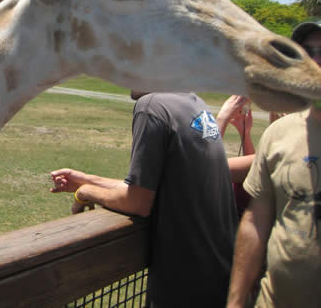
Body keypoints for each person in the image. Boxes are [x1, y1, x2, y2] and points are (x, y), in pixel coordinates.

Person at [51, 91, 238, 308]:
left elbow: (137, 202)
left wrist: (86, 192)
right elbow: (148, 187)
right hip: (221, 276)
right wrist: (86, 180)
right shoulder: (195, 104)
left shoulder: (151, 106)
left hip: (186, 286)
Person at [226, 20, 321, 308]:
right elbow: (256, 221)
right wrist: (236, 301)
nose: (315, 60)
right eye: (307, 51)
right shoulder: (278, 134)